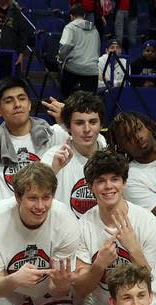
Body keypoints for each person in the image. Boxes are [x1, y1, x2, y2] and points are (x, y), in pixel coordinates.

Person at [70, 149, 156, 305]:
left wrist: (134, 249)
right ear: (91, 187)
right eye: (101, 181)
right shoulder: (82, 226)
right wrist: (99, 265)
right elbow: (81, 288)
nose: (108, 186)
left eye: (115, 179)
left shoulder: (146, 222)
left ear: (124, 183)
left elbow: (155, 284)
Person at [0, 162, 79, 305]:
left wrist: (61, 284)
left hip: (47, 288)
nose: (40, 206)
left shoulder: (66, 221)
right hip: (8, 282)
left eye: (46, 197)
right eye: (33, 198)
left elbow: (57, 289)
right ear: (18, 197)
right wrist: (15, 280)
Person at [108, 111, 156, 234]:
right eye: (128, 138)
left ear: (148, 127)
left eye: (138, 129)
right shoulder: (131, 180)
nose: (137, 137)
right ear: (121, 147)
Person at [41, 91, 104, 220]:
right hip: (64, 234)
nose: (87, 129)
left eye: (93, 122)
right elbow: (36, 195)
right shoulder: (53, 156)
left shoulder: (111, 156)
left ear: (101, 125)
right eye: (79, 123)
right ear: (68, 126)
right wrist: (53, 170)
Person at [57, 4, 99, 97]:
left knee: (66, 99)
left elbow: (65, 47)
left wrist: (60, 60)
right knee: (89, 103)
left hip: (73, 69)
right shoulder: (95, 29)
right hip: (92, 70)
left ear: (71, 16)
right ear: (84, 16)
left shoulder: (70, 27)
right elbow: (97, 50)